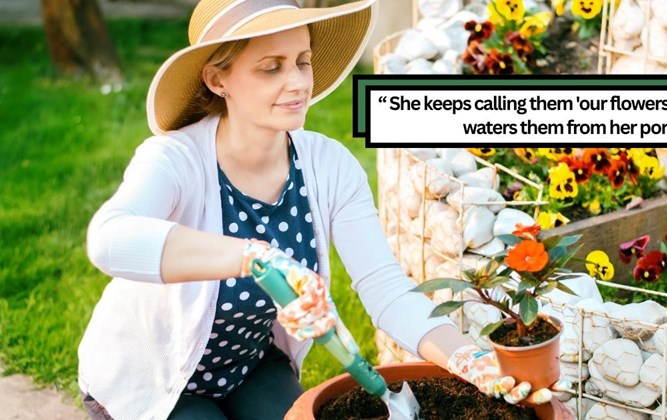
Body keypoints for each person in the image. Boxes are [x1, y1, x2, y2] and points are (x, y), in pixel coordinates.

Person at [77, 0, 540, 419]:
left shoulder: (327, 164)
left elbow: (385, 287)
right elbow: (109, 240)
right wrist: (252, 256)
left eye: (302, 62)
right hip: (151, 373)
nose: (297, 82)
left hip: (248, 363)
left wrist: (471, 361)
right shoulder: (174, 159)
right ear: (218, 80)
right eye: (270, 68)